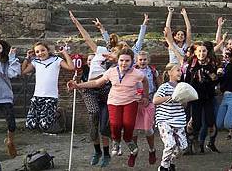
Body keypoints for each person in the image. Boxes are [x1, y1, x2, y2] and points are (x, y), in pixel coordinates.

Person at [68, 48, 150, 167]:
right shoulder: (111, 71)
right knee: (115, 125)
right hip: (114, 101)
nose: (124, 63)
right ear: (118, 60)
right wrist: (77, 85)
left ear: (132, 61)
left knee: (129, 124)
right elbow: (96, 83)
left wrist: (145, 96)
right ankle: (116, 141)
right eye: (122, 60)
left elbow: (145, 81)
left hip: (130, 101)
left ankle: (128, 140)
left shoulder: (137, 73)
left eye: (127, 60)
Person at [69, 10, 113, 166]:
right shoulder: (100, 52)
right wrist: (76, 22)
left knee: (104, 123)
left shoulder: (117, 61)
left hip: (105, 88)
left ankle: (106, 153)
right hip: (90, 88)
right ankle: (97, 151)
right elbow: (87, 38)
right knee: (93, 115)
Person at [20, 42, 74, 132]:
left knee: (44, 125)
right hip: (37, 95)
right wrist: (27, 58)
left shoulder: (56, 60)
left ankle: (59, 114)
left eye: (42, 50)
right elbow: (24, 71)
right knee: (30, 125)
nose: (40, 53)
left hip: (51, 96)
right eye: (37, 52)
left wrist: (64, 53)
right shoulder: (35, 62)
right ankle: (54, 113)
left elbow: (71, 67)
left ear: (48, 50)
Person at [183, 42, 219, 154]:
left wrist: (214, 77)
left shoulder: (212, 65)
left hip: (208, 97)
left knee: (210, 122)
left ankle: (209, 143)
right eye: (199, 51)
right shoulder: (191, 64)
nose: (201, 53)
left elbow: (216, 80)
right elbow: (187, 82)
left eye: (204, 51)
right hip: (194, 98)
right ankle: (190, 144)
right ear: (195, 52)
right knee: (194, 123)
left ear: (207, 52)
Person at [154, 65, 189, 171]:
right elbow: (155, 100)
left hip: (178, 120)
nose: (180, 72)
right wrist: (170, 97)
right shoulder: (164, 87)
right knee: (170, 144)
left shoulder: (181, 87)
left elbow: (185, 105)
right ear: (170, 72)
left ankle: (170, 163)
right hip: (165, 120)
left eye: (181, 71)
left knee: (182, 147)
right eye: (178, 70)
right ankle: (163, 167)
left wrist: (183, 99)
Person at [131, 51, 161, 165]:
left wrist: (158, 99)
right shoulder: (132, 71)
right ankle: (133, 151)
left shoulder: (153, 71)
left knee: (148, 128)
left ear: (148, 60)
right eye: (140, 59)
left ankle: (152, 150)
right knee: (133, 129)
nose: (142, 61)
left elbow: (159, 85)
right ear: (137, 61)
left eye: (144, 59)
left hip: (149, 100)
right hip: (135, 101)